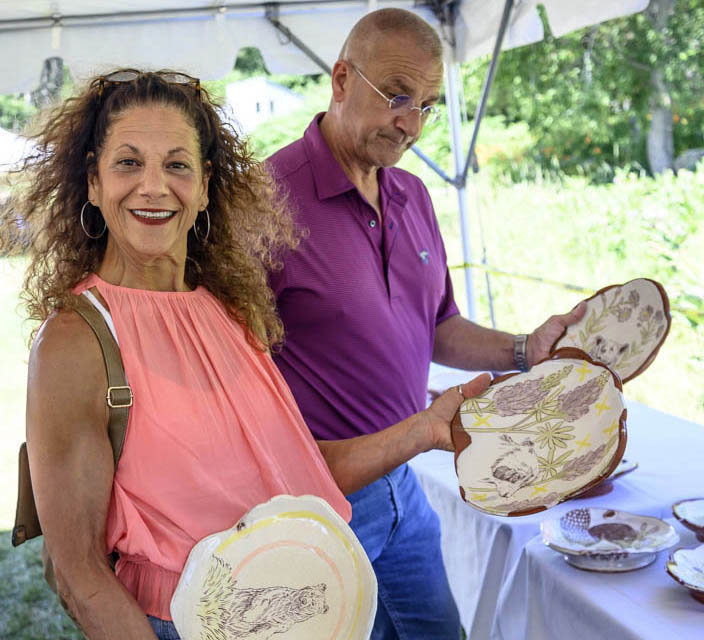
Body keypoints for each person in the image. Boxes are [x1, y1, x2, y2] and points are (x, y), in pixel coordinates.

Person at [0, 68, 489, 640]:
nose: (154, 186)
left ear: (206, 185)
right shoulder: (76, 342)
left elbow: (297, 477)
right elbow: (77, 573)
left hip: (301, 613)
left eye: (177, 164)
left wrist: (426, 430)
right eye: (128, 162)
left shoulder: (227, 310)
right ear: (92, 181)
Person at [267, 8, 587, 639]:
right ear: (340, 79)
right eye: (396, 96)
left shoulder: (412, 195)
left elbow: (438, 327)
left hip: (405, 488)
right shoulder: (265, 201)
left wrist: (527, 348)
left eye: (427, 105)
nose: (410, 124)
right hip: (313, 503)